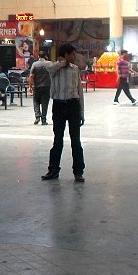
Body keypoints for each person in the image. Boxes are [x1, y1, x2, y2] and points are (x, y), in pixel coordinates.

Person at [41, 43, 85, 182]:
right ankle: (53, 170)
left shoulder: (75, 69)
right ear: (66, 54)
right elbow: (49, 68)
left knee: (76, 141)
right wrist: (62, 62)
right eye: (72, 54)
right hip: (59, 106)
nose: (75, 56)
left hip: (73, 105)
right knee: (58, 139)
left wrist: (82, 112)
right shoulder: (54, 68)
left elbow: (79, 91)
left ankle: (78, 172)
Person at [29, 50, 52, 125]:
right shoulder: (49, 64)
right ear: (45, 56)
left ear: (38, 56)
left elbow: (31, 76)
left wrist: (30, 86)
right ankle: (44, 120)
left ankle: (37, 116)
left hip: (37, 86)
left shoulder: (35, 64)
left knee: (36, 101)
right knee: (45, 103)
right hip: (47, 86)